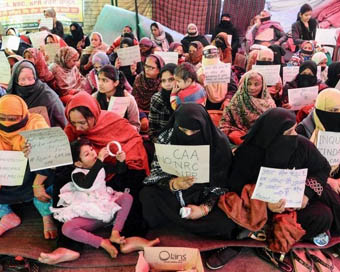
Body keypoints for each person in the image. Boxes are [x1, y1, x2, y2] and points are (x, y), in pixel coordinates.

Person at [214, 107, 338, 270]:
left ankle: (259, 234)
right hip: (258, 208)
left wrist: (306, 195)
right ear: (271, 135)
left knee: (323, 216)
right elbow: (235, 188)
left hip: (292, 207)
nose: (295, 135)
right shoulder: (249, 153)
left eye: (295, 129)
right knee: (223, 221)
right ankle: (265, 231)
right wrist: (264, 204)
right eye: (289, 132)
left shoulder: (301, 145)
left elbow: (321, 168)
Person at [140, 103, 237, 238]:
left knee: (226, 221)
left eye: (194, 132)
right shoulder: (166, 138)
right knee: (147, 195)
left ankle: (174, 224)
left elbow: (221, 184)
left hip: (204, 193)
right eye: (183, 130)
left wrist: (204, 209)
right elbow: (156, 173)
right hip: (172, 192)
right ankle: (190, 226)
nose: (188, 135)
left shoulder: (219, 144)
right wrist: (173, 184)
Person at [50, 138, 134, 258]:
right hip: (91, 215)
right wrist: (99, 160)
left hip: (107, 207)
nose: (94, 153)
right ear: (79, 163)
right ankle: (102, 242)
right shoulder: (77, 174)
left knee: (127, 197)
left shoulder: (101, 166)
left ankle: (115, 232)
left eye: (92, 149)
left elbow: (119, 170)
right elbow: (87, 184)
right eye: (87, 154)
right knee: (67, 228)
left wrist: (121, 161)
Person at [0, 95, 57, 239]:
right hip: (6, 178)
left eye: (13, 119)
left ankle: (46, 215)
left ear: (23, 116)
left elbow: (51, 153)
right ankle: (7, 215)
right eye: (2, 117)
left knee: (49, 175)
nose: (6, 123)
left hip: (34, 176)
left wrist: (34, 152)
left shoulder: (35, 122)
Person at [219, 71, 276, 146]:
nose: (252, 88)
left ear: (263, 86)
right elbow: (225, 123)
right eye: (249, 84)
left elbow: (273, 126)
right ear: (244, 84)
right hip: (241, 137)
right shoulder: (236, 101)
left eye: (256, 84)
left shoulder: (270, 104)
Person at [7, 60, 67, 128]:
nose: (27, 83)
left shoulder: (48, 96)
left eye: (30, 78)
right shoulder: (12, 95)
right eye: (23, 79)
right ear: (15, 80)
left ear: (35, 78)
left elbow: (62, 122)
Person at [94, 65, 140, 131]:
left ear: (116, 83)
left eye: (104, 80)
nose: (100, 84)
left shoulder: (128, 99)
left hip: (122, 132)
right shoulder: (94, 97)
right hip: (101, 132)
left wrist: (121, 127)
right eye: (99, 79)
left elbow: (136, 126)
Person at [197, 45, 237, 110]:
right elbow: (197, 93)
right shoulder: (199, 72)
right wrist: (201, 83)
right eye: (208, 56)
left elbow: (233, 88)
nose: (211, 59)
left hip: (223, 105)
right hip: (205, 106)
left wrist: (228, 99)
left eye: (213, 56)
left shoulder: (225, 69)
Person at [149, 63, 177, 142]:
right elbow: (153, 130)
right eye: (163, 81)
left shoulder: (186, 96)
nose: (167, 84)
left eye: (171, 79)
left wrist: (174, 97)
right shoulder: (157, 99)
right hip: (163, 141)